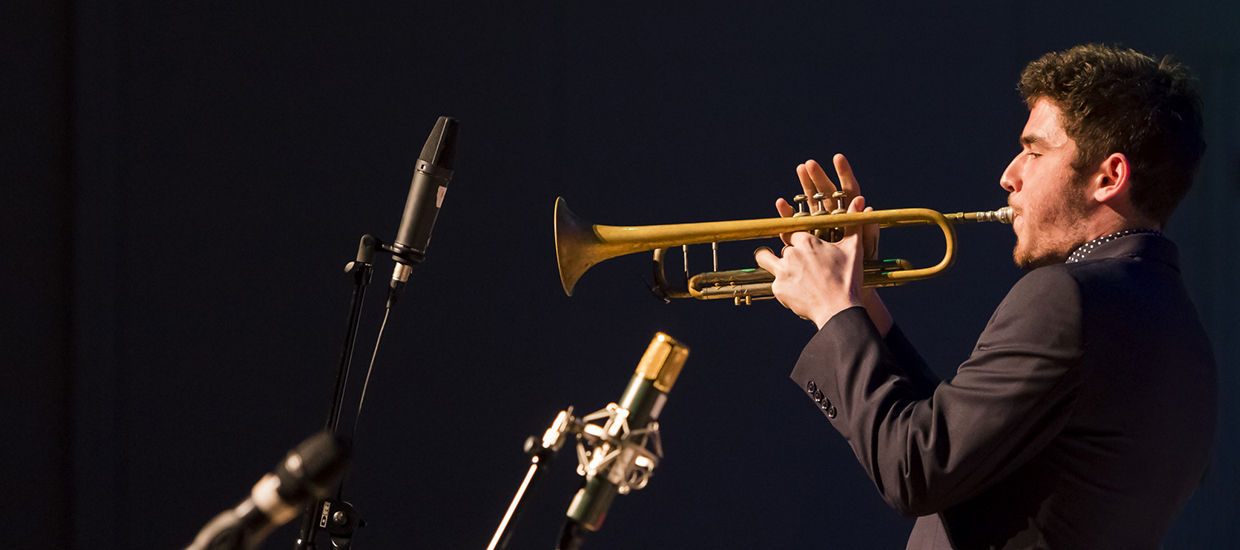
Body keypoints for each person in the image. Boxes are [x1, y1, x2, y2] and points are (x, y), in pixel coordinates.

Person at [754, 44, 1216, 549]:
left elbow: (914, 470)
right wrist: (861, 303)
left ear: (1109, 177)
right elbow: (964, 448)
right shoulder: (1185, 336)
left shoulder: (1067, 296)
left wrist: (833, 311)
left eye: (1035, 152)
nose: (1009, 175)